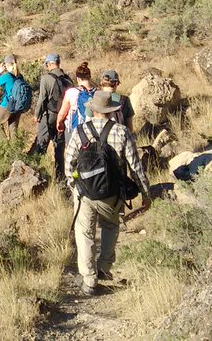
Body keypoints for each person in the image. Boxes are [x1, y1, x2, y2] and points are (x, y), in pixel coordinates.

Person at [64, 90, 151, 296]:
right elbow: (135, 166)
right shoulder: (121, 132)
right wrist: (145, 193)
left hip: (84, 193)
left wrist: (74, 186)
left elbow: (69, 163)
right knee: (111, 227)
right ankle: (104, 268)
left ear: (93, 110)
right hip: (112, 193)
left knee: (84, 233)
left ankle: (89, 279)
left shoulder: (80, 131)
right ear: (111, 111)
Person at [33, 53, 72, 181]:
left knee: (41, 145)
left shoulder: (46, 78)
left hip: (49, 116)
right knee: (59, 149)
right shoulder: (68, 79)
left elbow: (41, 99)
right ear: (58, 63)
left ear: (48, 64)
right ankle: (60, 178)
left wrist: (36, 115)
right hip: (64, 118)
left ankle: (35, 175)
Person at [55, 62, 96, 146]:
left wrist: (59, 123)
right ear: (90, 77)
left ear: (78, 78)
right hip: (94, 130)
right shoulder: (98, 93)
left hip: (75, 129)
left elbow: (63, 113)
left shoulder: (71, 92)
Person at [0, 54, 26, 138]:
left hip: (7, 104)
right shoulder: (20, 76)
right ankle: (14, 148)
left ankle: (4, 145)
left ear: (6, 64)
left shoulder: (6, 76)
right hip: (18, 105)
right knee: (13, 128)